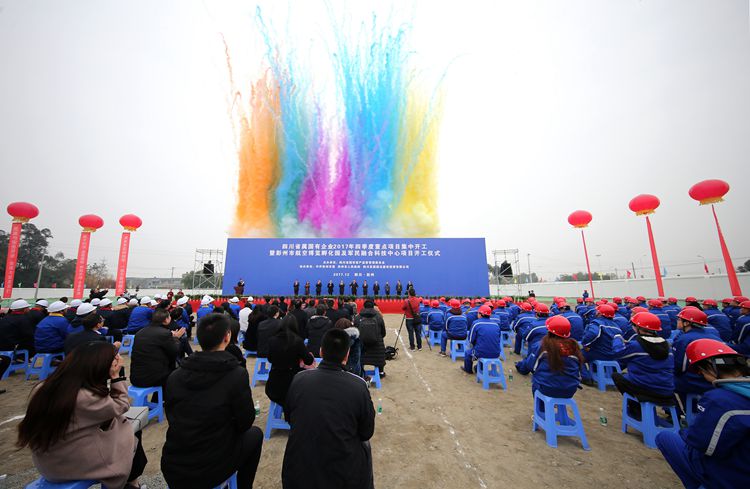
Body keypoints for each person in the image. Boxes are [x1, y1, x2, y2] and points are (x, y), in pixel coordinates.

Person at [16, 342, 147, 489]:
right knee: (129, 431)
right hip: (70, 466)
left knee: (122, 429)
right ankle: (131, 483)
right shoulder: (84, 397)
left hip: (48, 461)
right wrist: (116, 376)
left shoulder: (44, 386)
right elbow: (122, 405)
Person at [162, 313, 263, 489]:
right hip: (210, 468)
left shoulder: (175, 375)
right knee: (255, 434)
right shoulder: (235, 374)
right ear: (227, 337)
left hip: (173, 465)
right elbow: (245, 422)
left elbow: (172, 416)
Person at [282, 329, 375, 489]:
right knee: (365, 446)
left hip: (296, 473)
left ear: (321, 351)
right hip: (343, 476)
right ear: (347, 355)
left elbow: (289, 418)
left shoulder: (299, 379)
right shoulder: (358, 385)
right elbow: (366, 432)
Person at [655, 339, 750, 489]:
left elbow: (701, 443)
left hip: (734, 477)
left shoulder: (720, 399)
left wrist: (687, 431)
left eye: (700, 371)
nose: (701, 375)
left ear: (711, 368)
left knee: (665, 437)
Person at [613, 312, 674, 414]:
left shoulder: (636, 346)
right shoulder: (667, 346)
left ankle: (635, 409)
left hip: (647, 389)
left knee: (617, 376)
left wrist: (617, 338)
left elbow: (618, 353)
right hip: (667, 389)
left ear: (638, 327)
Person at [515, 316, 584, 398]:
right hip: (570, 391)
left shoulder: (542, 345)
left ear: (549, 331)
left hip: (546, 389)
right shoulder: (574, 347)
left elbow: (531, 366)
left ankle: (541, 405)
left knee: (536, 379)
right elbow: (579, 370)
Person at [266, 315, 315, 413]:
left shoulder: (272, 340)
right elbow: (309, 361)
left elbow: (270, 359)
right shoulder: (297, 341)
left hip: (273, 385)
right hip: (292, 386)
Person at [673, 306, 723, 400]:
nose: (677, 321)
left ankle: (681, 408)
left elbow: (679, 367)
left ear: (687, 323)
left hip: (695, 381)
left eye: (679, 319)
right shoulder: (715, 337)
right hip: (716, 380)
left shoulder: (684, 339)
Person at [130, 308, 184, 392]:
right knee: (176, 369)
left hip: (135, 377)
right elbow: (175, 351)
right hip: (153, 378)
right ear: (166, 320)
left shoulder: (140, 332)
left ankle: (158, 398)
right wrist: (176, 338)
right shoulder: (164, 333)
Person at [581, 304, 625, 380]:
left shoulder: (598, 323)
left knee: (577, 356)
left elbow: (592, 334)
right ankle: (596, 372)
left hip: (599, 353)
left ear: (600, 313)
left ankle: (586, 378)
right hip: (612, 355)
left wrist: (585, 344)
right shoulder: (617, 327)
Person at [463, 305, 501, 374]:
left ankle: (468, 370)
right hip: (496, 353)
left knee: (468, 353)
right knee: (483, 348)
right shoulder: (496, 324)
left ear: (481, 314)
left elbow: (470, 339)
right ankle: (478, 368)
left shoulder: (476, 323)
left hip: (481, 352)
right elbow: (498, 338)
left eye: (478, 313)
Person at [355, 300, 387, 377]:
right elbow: (383, 332)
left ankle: (360, 371)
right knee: (379, 355)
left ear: (364, 306)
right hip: (377, 344)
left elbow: (355, 330)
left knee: (361, 357)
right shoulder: (378, 316)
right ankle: (381, 372)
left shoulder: (358, 317)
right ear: (373, 306)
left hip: (362, 344)